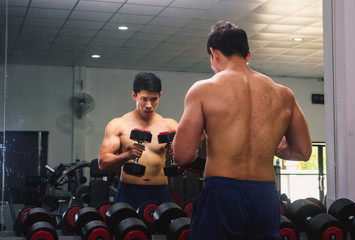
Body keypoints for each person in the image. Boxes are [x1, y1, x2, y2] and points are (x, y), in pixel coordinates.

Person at [172, 20, 312, 239]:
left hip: (222, 192)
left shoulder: (203, 90)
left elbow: (181, 155)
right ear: (248, 54)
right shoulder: (284, 94)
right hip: (265, 195)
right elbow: (302, 151)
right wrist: (267, 144)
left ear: (214, 53)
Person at [98, 72, 178, 210]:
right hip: (129, 191)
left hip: (160, 192)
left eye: (154, 99)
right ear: (134, 95)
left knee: (166, 231)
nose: (149, 105)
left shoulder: (170, 125)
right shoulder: (118, 125)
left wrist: (176, 154)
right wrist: (127, 156)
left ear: (160, 96)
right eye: (144, 99)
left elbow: (187, 159)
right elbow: (102, 164)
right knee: (126, 230)